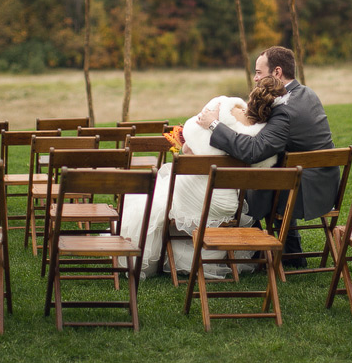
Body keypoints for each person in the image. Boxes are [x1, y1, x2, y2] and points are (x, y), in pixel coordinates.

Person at [119, 76, 288, 279]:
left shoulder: (221, 105)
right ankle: (198, 253)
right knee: (168, 188)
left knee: (164, 189)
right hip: (228, 206)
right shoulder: (261, 137)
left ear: (253, 95)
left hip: (200, 196)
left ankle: (157, 246)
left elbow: (188, 149)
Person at [195, 46, 338, 267]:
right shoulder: (307, 93)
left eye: (259, 72)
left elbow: (253, 151)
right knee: (273, 175)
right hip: (324, 184)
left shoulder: (285, 109)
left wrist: (214, 125)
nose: (255, 78)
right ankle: (291, 255)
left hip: (302, 191)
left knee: (236, 187)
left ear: (277, 73)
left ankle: (257, 253)